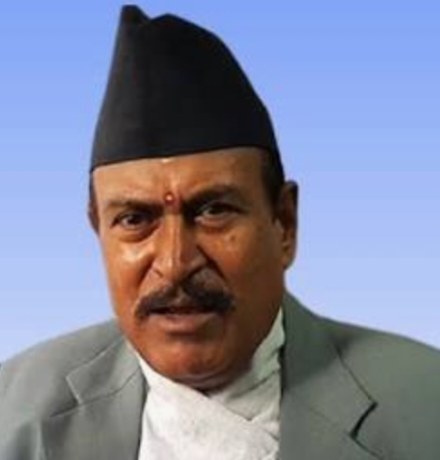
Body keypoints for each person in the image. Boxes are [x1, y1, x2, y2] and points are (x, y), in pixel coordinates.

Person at [1, 5, 439, 460]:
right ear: (98, 232)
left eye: (213, 211)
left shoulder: (427, 407)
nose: (174, 262)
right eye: (134, 220)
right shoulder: (13, 412)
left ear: (284, 224)